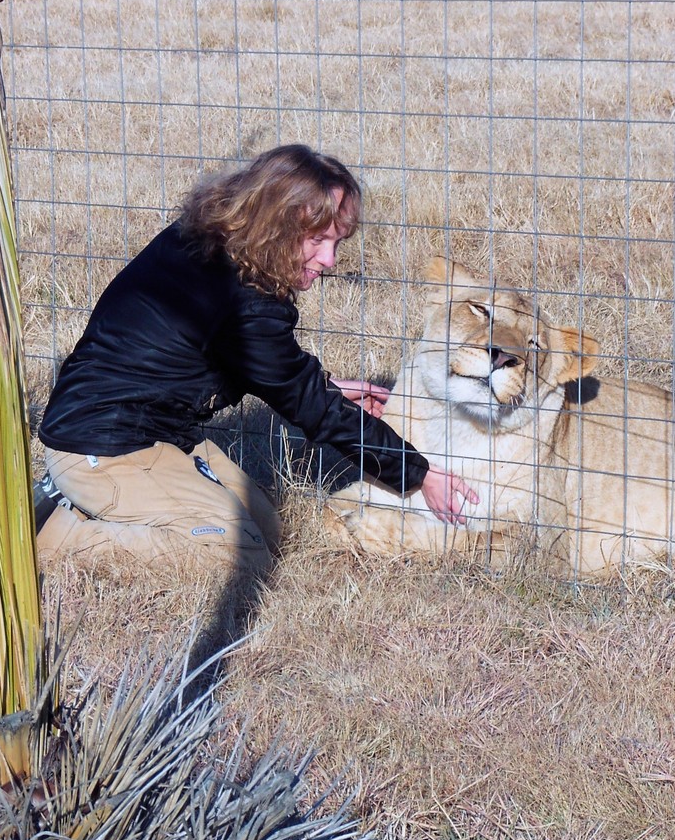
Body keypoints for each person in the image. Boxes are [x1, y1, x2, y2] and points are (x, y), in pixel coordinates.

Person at [36, 144, 478, 574]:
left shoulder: (214, 241)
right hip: (102, 444)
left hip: (153, 432)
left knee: (266, 528)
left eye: (337, 242)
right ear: (276, 225)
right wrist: (419, 475)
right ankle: (51, 534)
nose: (329, 260)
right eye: (318, 240)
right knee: (239, 555)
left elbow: (238, 358)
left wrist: (328, 388)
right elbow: (308, 403)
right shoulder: (246, 297)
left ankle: (88, 502)